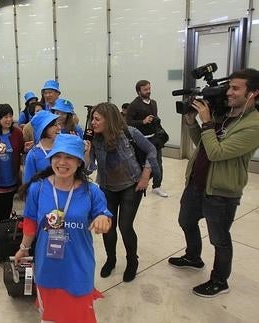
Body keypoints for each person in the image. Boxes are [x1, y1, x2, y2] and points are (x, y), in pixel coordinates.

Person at [168, 68, 259, 297]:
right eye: (229, 86)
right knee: (186, 221)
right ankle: (193, 256)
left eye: (236, 88)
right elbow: (203, 144)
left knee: (219, 238)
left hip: (221, 192)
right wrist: (192, 122)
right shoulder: (223, 114)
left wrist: (207, 122)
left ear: (254, 93)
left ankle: (220, 281)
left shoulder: (253, 126)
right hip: (196, 183)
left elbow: (218, 152)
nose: (229, 92)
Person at [15, 134, 112, 323]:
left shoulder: (91, 191)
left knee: (79, 317)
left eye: (69, 157)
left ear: (79, 162)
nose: (62, 162)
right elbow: (30, 223)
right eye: (57, 156)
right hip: (48, 266)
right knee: (50, 318)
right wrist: (23, 248)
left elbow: (105, 217)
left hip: (79, 266)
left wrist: (102, 219)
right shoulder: (38, 189)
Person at [86, 102, 159, 282]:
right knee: (108, 228)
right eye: (91, 119)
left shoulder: (129, 133)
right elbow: (88, 169)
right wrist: (86, 151)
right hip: (107, 187)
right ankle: (111, 260)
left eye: (96, 119)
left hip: (130, 185)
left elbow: (151, 149)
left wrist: (145, 175)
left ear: (109, 120)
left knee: (125, 227)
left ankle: (132, 261)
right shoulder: (94, 139)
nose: (92, 123)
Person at [125, 80, 168, 197]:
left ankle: (157, 186)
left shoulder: (154, 103)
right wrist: (143, 121)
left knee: (158, 163)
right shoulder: (134, 105)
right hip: (141, 140)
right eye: (145, 89)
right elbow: (128, 122)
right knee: (140, 164)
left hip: (155, 138)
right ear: (139, 91)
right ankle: (137, 183)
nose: (148, 91)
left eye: (149, 89)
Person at [22, 110, 60, 183]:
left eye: (58, 124)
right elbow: (28, 184)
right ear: (44, 129)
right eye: (55, 125)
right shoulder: (33, 155)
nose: (59, 127)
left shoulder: (61, 149)